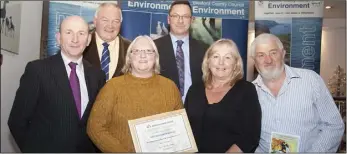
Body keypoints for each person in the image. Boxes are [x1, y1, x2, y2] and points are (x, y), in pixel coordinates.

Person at [7, 16, 106, 152]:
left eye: (81, 33)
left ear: (88, 39)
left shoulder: (98, 76)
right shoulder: (37, 70)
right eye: (68, 32)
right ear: (59, 38)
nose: (75, 39)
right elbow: (17, 121)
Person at [87, 35, 183, 152]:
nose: (143, 55)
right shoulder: (112, 87)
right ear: (129, 58)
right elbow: (95, 127)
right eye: (136, 51)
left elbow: (179, 130)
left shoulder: (170, 87)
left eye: (148, 51)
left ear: (156, 57)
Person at [250, 33, 345, 152]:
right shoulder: (249, 92)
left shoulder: (310, 80)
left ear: (283, 54)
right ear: (254, 60)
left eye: (273, 53)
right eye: (261, 55)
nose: (268, 60)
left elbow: (334, 125)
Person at [184, 39, 261, 153]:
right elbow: (185, 128)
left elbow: (249, 136)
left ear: (235, 64)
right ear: (208, 62)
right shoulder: (194, 90)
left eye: (227, 57)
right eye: (216, 56)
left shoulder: (246, 90)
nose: (221, 62)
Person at [154, 0, 208, 101]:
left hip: (196, 108)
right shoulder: (154, 48)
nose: (180, 20)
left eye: (185, 16)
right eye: (175, 16)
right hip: (164, 107)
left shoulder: (204, 49)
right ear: (169, 19)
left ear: (191, 20)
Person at [83, 2, 130, 81]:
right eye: (105, 20)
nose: (110, 25)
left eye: (116, 21)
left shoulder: (131, 49)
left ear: (121, 24)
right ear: (95, 21)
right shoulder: (81, 45)